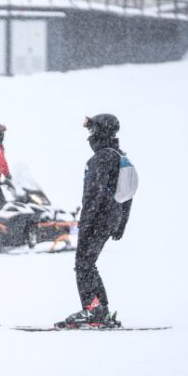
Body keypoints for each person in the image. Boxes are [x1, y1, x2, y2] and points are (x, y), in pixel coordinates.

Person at [57, 114, 133, 328]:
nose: (89, 136)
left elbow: (94, 193)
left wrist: (86, 220)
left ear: (100, 132)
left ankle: (92, 310)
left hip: (98, 217)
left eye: (92, 131)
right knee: (89, 263)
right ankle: (101, 309)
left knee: (83, 264)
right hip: (111, 216)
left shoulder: (100, 158)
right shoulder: (120, 156)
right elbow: (127, 195)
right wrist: (121, 222)